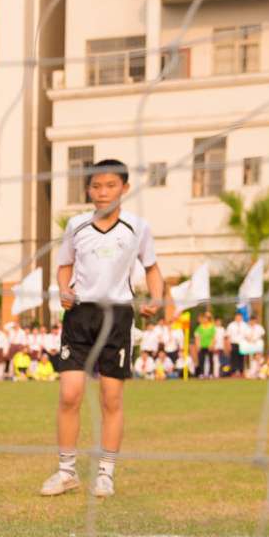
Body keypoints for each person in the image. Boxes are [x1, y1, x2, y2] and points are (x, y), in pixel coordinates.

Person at [43, 159, 166, 498]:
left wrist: (157, 296)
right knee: (69, 394)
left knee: (111, 398)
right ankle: (66, 471)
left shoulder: (138, 227)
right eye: (96, 186)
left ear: (124, 188)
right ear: (88, 189)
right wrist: (64, 291)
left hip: (118, 317)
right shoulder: (76, 225)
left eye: (110, 185)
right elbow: (64, 266)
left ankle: (105, 473)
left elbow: (152, 268)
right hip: (79, 317)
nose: (102, 192)